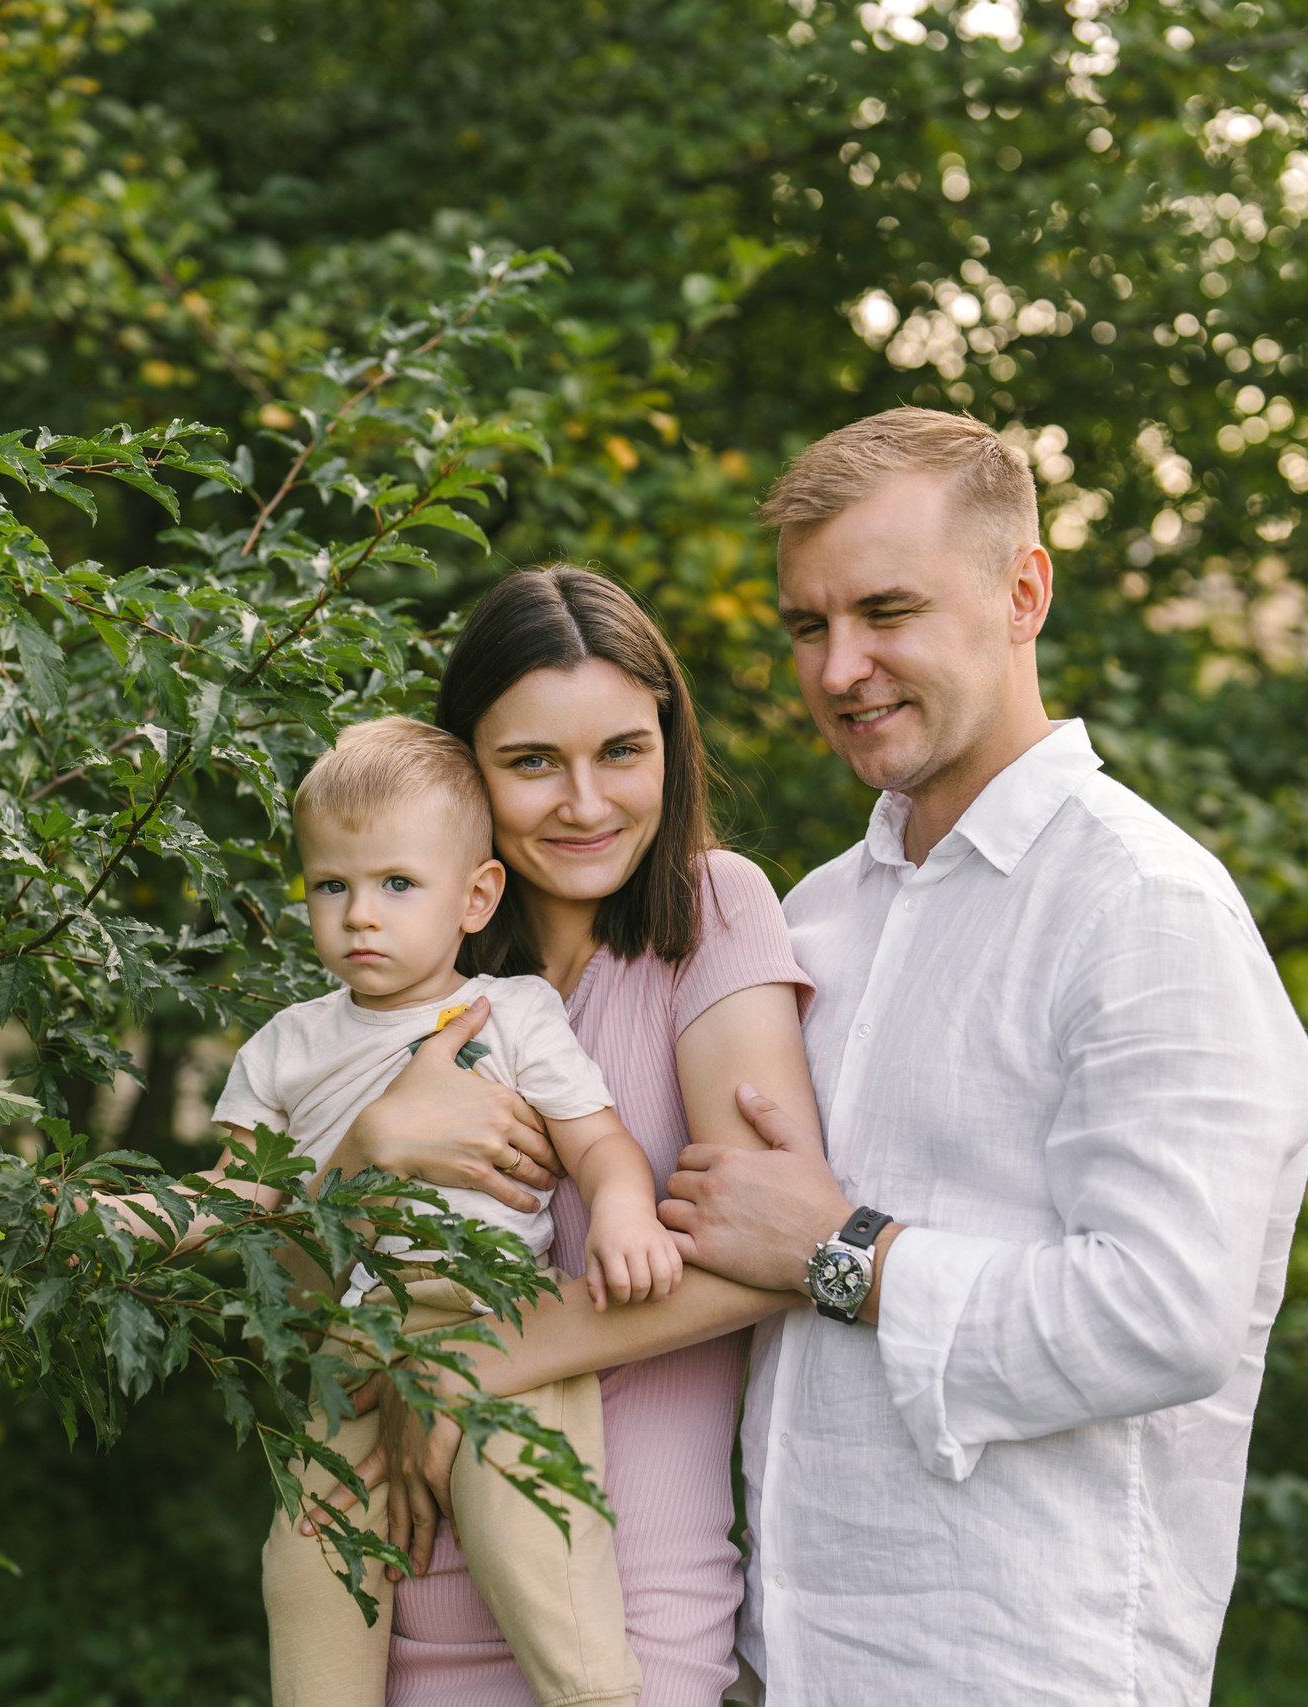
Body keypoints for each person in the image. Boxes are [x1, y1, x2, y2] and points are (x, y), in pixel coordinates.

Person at [647, 407, 1308, 1703]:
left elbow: (1163, 1314)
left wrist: (842, 1251)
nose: (840, 667)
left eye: (886, 611)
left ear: (1024, 593)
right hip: (790, 1668)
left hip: (1025, 1666)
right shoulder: (814, 915)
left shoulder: (1140, 901)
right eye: (807, 625)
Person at [313, 569, 821, 1707]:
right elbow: (298, 1298)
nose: (586, 804)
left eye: (622, 752)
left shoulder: (711, 913)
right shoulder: (405, 973)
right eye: (533, 761)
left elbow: (773, 1251)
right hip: (403, 1617)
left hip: (621, 1630)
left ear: (669, 745)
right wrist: (362, 1154)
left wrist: (464, 1361)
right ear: (465, 773)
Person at [119, 715, 685, 1707]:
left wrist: (625, 1212)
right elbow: (244, 1194)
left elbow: (596, 1140)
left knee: (525, 1525)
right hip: (353, 1338)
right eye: (330, 886)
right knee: (308, 1553)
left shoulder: (511, 1014)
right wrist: (124, 1220)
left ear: (476, 896)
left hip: (498, 1317)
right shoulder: (287, 1045)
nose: (359, 917)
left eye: (395, 884)